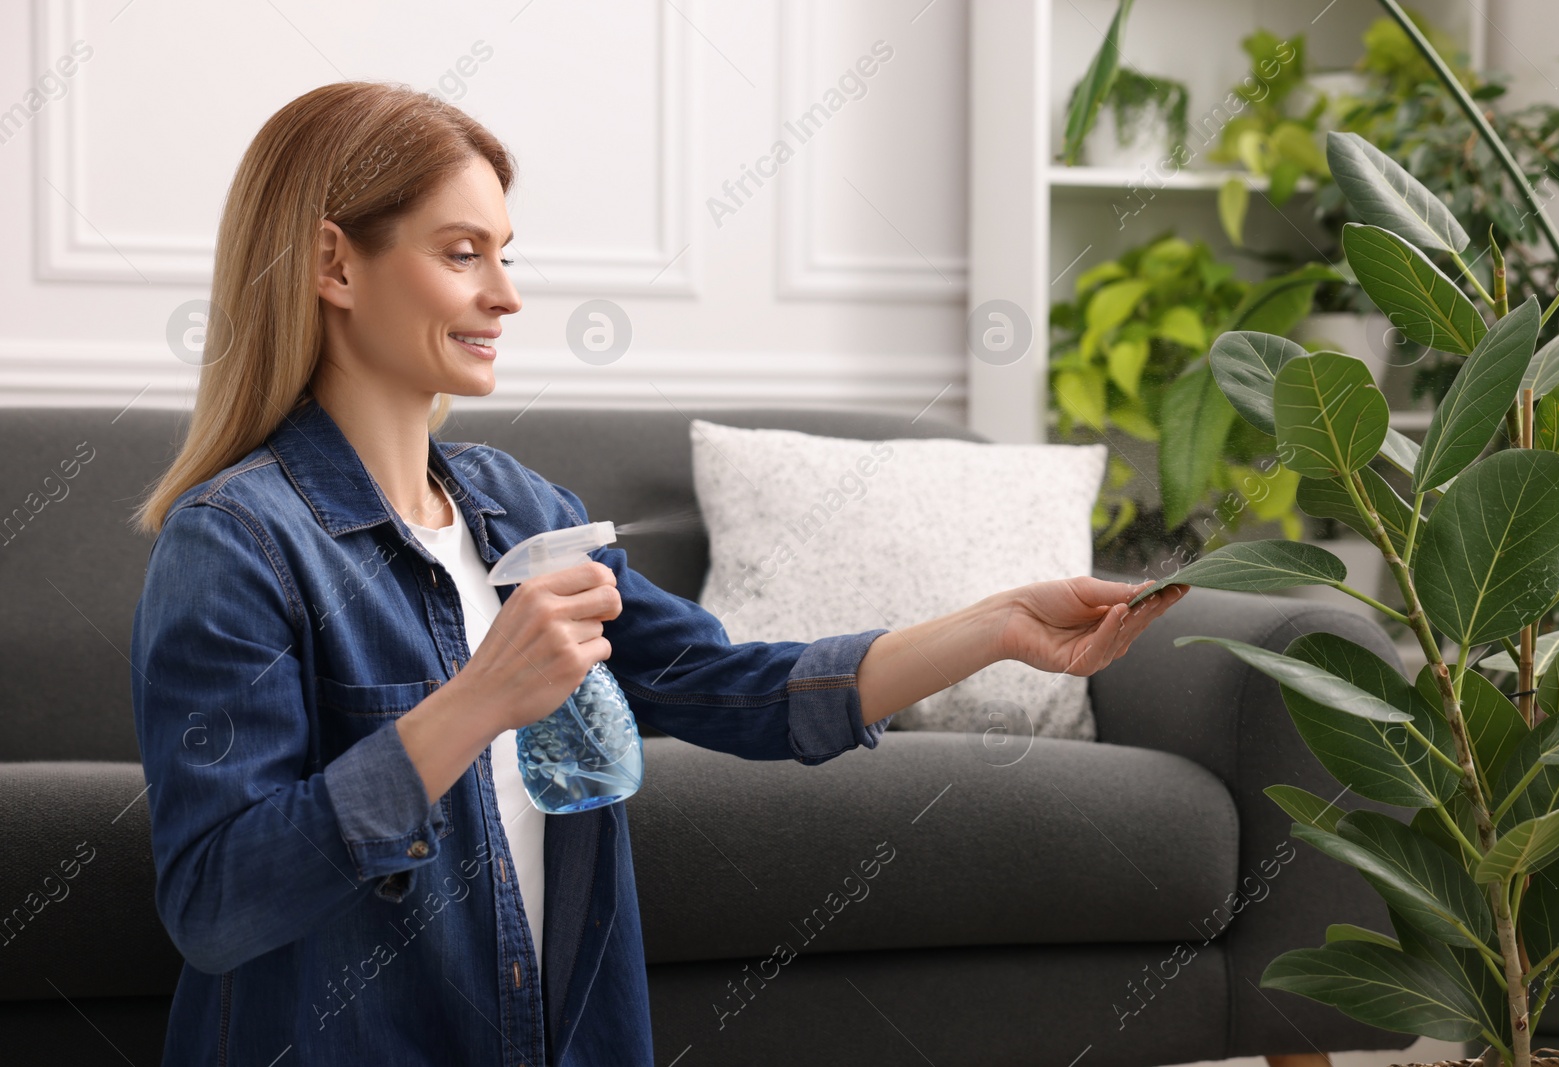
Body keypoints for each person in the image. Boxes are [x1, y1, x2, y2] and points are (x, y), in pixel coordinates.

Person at [128, 81, 1189, 1066]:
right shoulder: (236, 541)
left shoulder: (517, 509)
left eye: (507, 253)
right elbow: (218, 901)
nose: (506, 294)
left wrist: (999, 622)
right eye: (462, 253)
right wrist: (479, 701)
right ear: (335, 265)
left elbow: (727, 686)